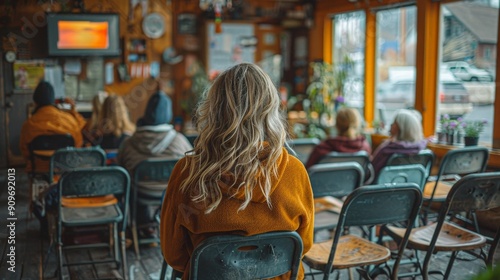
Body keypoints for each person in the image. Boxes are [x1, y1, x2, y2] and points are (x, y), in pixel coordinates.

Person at [160, 63, 314, 280]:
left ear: (214, 108)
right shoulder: (295, 171)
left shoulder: (187, 173)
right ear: (270, 109)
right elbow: (303, 245)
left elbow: (173, 255)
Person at [117, 91, 192, 232]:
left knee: (130, 185)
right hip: (172, 194)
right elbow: (194, 166)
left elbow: (121, 170)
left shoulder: (128, 142)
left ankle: (139, 230)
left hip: (140, 194)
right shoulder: (179, 140)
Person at [20, 80, 87, 172]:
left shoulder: (28, 125)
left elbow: (26, 152)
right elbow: (78, 143)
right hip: (66, 168)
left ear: (35, 102)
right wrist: (73, 110)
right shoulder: (69, 120)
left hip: (39, 169)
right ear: (53, 100)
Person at [305, 107, 372, 169]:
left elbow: (307, 172)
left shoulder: (321, 148)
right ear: (357, 125)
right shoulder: (365, 148)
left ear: (336, 126)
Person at [371, 109, 427, 176]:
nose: (391, 125)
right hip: (411, 186)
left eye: (394, 122)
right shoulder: (422, 150)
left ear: (402, 128)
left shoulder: (386, 150)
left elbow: (372, 172)